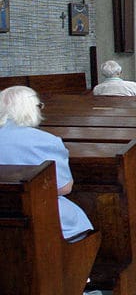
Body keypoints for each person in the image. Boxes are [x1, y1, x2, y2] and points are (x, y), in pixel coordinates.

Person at [0, 85, 94, 240]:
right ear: (31, 109)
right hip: (38, 215)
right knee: (73, 220)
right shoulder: (46, 141)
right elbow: (63, 188)